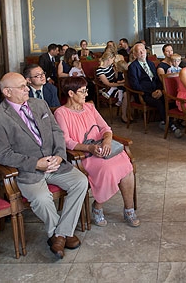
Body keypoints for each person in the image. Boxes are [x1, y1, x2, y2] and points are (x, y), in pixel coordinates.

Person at [0, 72, 88, 259]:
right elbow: (2, 154)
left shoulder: (39, 104)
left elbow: (57, 131)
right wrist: (35, 164)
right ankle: (62, 234)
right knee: (41, 199)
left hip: (55, 162)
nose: (27, 88)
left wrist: (59, 155)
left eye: (26, 84)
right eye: (22, 86)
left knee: (81, 182)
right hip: (28, 170)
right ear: (7, 92)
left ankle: (59, 235)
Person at [53, 77, 139, 228]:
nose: (86, 94)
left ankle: (129, 209)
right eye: (82, 91)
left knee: (126, 165)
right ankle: (98, 206)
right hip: (83, 155)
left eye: (86, 90)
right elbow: (66, 141)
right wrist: (90, 149)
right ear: (71, 93)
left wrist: (106, 140)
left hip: (102, 148)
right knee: (108, 169)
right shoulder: (61, 113)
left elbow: (106, 128)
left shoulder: (90, 107)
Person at [128, 43, 182, 137]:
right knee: (159, 102)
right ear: (135, 54)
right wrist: (150, 93)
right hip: (143, 94)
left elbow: (157, 80)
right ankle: (172, 125)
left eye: (143, 50)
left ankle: (166, 121)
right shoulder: (133, 67)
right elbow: (135, 85)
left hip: (156, 91)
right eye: (139, 51)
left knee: (169, 98)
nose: (142, 52)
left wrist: (160, 90)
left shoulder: (151, 64)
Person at [96, 51, 127, 123]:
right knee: (126, 94)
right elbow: (108, 84)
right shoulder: (100, 70)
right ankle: (124, 115)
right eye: (112, 60)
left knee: (129, 93)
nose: (113, 61)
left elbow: (116, 78)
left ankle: (126, 113)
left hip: (116, 86)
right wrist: (121, 84)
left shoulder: (111, 67)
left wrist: (117, 70)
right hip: (107, 89)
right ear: (108, 59)